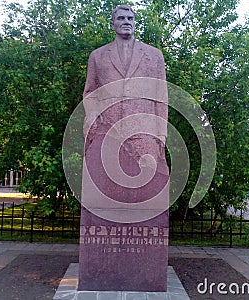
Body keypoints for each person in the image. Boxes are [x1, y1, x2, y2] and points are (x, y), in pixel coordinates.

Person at [78, 5, 169, 291]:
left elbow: (161, 96)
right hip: (108, 133)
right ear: (113, 23)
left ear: (135, 23)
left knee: (146, 191)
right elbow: (90, 93)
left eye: (130, 18)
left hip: (144, 133)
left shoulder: (153, 55)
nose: (126, 22)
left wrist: (160, 135)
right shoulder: (98, 56)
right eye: (121, 18)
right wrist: (93, 124)